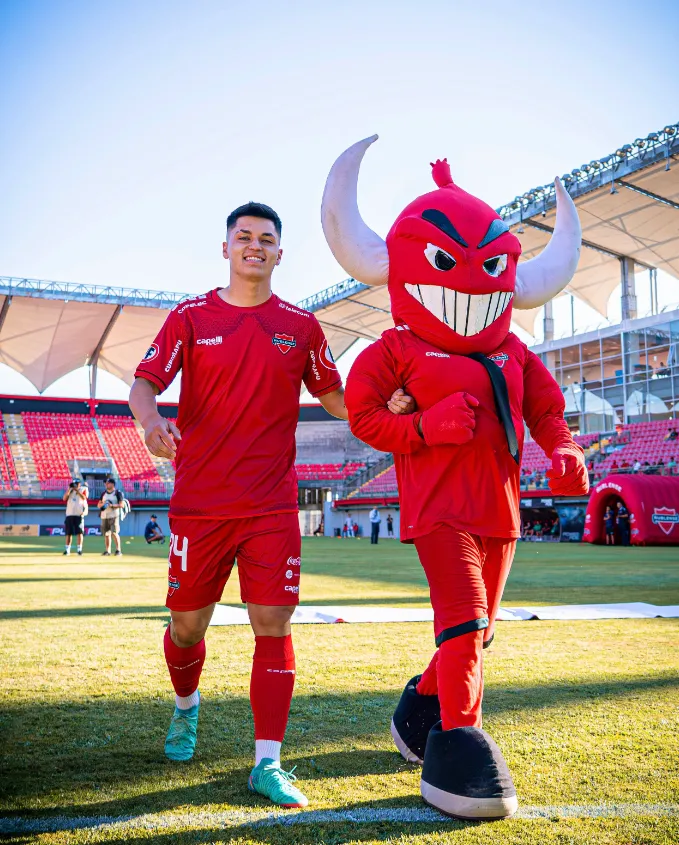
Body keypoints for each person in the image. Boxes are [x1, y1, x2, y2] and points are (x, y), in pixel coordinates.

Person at [330, 139, 586, 818]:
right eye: (445, 260)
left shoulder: (512, 351)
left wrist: (562, 448)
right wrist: (424, 427)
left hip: (500, 511)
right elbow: (361, 416)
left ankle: (418, 708)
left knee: (478, 630)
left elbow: (544, 408)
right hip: (438, 508)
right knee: (467, 616)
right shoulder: (398, 348)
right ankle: (457, 744)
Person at [129, 201, 412, 808]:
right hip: (200, 504)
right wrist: (151, 422)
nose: (254, 246)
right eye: (244, 237)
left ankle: (267, 762)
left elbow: (335, 395)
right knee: (186, 627)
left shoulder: (302, 326)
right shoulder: (191, 316)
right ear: (227, 247)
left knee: (273, 625)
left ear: (280, 253)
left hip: (271, 507)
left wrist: (380, 407)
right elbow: (144, 382)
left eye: (266, 239)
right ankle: (186, 707)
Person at [62, 478, 88, 555]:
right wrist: (70, 489)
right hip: (69, 514)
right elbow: (64, 498)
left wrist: (77, 490)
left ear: (79, 484)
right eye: (74, 484)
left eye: (76, 483)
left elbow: (84, 498)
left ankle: (79, 550)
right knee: (68, 533)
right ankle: (67, 550)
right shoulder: (70, 491)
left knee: (79, 533)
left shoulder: (83, 489)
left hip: (78, 514)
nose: (75, 485)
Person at [97, 478, 123, 556]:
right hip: (104, 516)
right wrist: (103, 504)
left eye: (108, 483)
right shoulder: (103, 494)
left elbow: (121, 505)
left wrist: (111, 505)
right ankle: (107, 551)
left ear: (112, 484)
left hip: (113, 515)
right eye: (106, 483)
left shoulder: (117, 493)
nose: (106, 484)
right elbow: (98, 505)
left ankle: (118, 550)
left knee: (114, 533)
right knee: (106, 534)